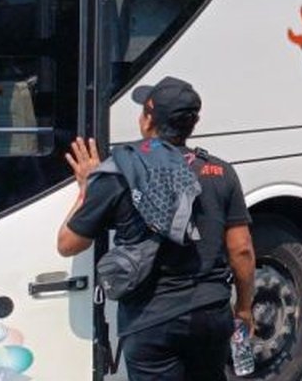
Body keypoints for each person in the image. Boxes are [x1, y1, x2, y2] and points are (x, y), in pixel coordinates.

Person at [57, 77, 255, 381]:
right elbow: (241, 250)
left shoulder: (120, 172)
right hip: (211, 314)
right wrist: (243, 308)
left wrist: (87, 186)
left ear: (148, 120)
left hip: (151, 321)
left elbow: (68, 244)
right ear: (194, 122)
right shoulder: (221, 172)